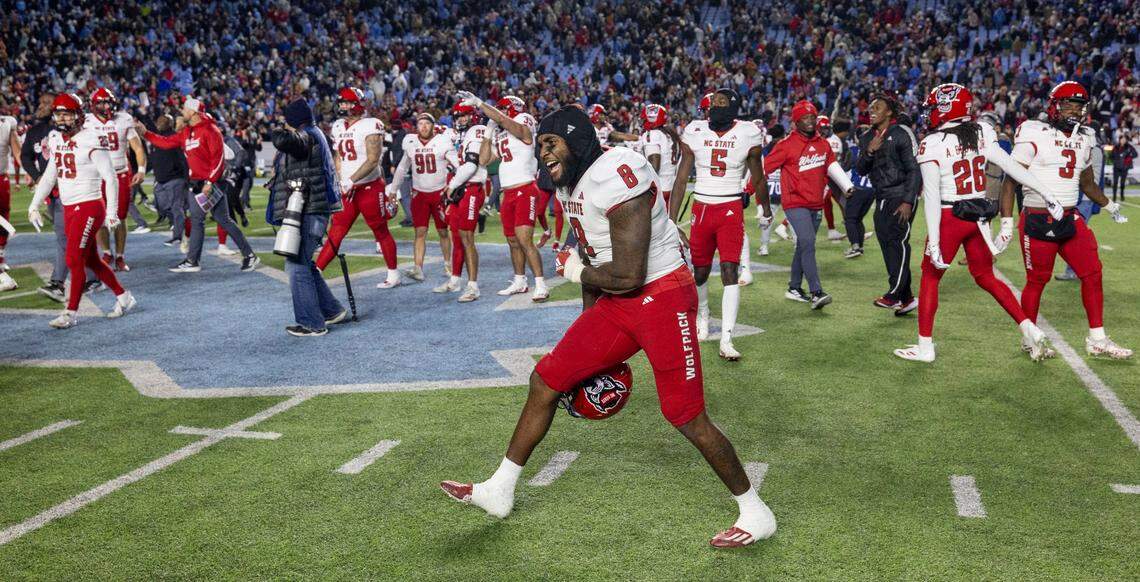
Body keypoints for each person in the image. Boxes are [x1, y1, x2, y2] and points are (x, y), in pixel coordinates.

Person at [440, 105, 776, 549]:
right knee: (547, 379)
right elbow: (596, 260)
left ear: (576, 141)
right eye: (539, 145)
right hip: (619, 301)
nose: (543, 153)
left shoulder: (618, 171)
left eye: (551, 143)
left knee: (685, 415)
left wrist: (576, 272)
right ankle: (499, 488)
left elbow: (628, 274)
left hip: (662, 296)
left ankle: (756, 511)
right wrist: (586, 337)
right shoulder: (571, 181)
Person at [894, 83, 1064, 363]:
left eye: (934, 108)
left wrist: (935, 241)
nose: (930, 114)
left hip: (950, 217)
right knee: (986, 276)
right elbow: (1012, 167)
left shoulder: (933, 144)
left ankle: (925, 347)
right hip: (978, 216)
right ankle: (1029, 328)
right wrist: (1048, 194)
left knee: (930, 276)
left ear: (947, 109)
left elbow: (933, 197)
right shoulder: (982, 131)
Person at [997, 81, 1131, 359]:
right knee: (1037, 281)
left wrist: (1109, 205)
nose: (1074, 109)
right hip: (1037, 217)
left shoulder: (1085, 137)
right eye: (1068, 103)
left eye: (1079, 105)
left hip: (1070, 217)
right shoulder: (1034, 132)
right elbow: (1010, 181)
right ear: (1054, 106)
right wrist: (1007, 222)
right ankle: (1029, 338)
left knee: (1093, 273)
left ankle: (1097, 338)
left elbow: (1087, 183)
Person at [673, 88, 770, 361]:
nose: (715, 106)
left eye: (722, 102)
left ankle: (727, 338)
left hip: (730, 207)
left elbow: (758, 177)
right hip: (701, 208)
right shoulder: (695, 130)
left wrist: (765, 208)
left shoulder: (748, 132)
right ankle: (703, 314)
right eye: (713, 102)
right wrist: (671, 219)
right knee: (700, 272)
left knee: (730, 270)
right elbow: (681, 178)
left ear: (734, 106)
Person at [26, 93, 136, 329]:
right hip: (69, 207)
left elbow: (111, 177)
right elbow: (49, 175)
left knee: (73, 258)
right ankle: (123, 296)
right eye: (58, 113)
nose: (62, 118)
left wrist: (113, 212)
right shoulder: (55, 138)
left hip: (89, 205)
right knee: (91, 260)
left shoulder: (92, 137)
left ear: (78, 115)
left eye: (66, 113)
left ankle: (70, 312)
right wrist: (34, 204)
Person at [139, 98, 259, 273]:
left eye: (185, 109)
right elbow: (166, 143)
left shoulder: (211, 130)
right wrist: (146, 134)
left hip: (211, 184)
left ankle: (248, 255)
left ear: (194, 112)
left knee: (221, 220)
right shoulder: (187, 132)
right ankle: (193, 261)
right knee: (200, 221)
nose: (182, 111)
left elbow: (218, 160)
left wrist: (210, 182)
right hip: (197, 184)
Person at [267, 98, 347, 337]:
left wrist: (280, 129)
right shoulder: (315, 133)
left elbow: (284, 141)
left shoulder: (307, 135)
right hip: (312, 210)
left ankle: (312, 323)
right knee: (305, 263)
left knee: (296, 265)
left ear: (293, 120)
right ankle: (331, 310)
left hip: (308, 210)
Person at [763, 100, 854, 310]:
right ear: (796, 121)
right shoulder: (785, 145)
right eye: (805, 117)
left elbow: (831, 165)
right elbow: (764, 168)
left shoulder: (823, 144)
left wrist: (847, 186)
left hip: (816, 202)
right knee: (808, 242)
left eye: (813, 116)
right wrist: (746, 189)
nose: (811, 121)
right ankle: (816, 292)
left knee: (803, 246)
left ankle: (794, 287)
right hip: (795, 203)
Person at [460, 91, 549, 302]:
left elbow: (510, 123)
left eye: (501, 111)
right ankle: (520, 281)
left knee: (525, 239)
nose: (497, 115)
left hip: (525, 189)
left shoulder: (524, 121)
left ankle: (540, 283)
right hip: (507, 192)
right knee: (512, 240)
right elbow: (483, 160)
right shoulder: (502, 135)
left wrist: (482, 104)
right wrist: (489, 133)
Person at [316, 87, 401, 289]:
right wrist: (339, 179)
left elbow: (373, 160)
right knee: (336, 230)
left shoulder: (372, 125)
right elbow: (338, 157)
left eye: (346, 102)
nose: (343, 106)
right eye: (341, 103)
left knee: (380, 230)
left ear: (357, 104)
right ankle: (316, 271)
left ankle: (393, 273)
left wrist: (350, 180)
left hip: (370, 187)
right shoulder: (337, 126)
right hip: (348, 189)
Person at [855, 93, 922, 315]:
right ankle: (907, 298)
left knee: (897, 241)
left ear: (889, 112)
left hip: (900, 195)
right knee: (888, 245)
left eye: (878, 107)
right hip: (881, 196)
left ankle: (894, 294)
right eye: (871, 107)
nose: (872, 111)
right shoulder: (866, 137)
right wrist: (870, 150)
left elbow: (914, 169)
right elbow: (861, 169)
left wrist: (908, 201)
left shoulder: (902, 133)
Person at [387, 112, 455, 284]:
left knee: (443, 232)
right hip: (419, 193)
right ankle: (418, 268)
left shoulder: (442, 140)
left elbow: (457, 163)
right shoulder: (411, 142)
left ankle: (448, 264)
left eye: (427, 123)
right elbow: (402, 168)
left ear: (433, 126)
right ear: (416, 126)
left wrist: (455, 183)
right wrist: (393, 189)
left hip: (439, 193)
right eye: (420, 123)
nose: (423, 127)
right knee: (419, 232)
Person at [86, 88, 146, 272]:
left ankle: (120, 256)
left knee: (120, 217)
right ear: (94, 106)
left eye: (108, 102)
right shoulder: (86, 121)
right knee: (100, 217)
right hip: (97, 176)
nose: (106, 106)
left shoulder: (124, 119)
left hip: (120, 173)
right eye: (102, 103)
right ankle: (106, 252)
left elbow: (137, 147)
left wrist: (141, 169)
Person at [20, 92, 69, 301]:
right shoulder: (35, 132)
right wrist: (37, 177)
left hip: (70, 190)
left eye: (45, 102)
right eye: (41, 102)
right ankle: (93, 277)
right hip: (51, 192)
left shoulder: (63, 131)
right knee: (69, 237)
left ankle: (58, 283)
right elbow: (25, 156)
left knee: (64, 237)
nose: (41, 105)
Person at [438, 103, 489, 302]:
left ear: (473, 116)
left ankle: (473, 286)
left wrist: (451, 185)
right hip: (463, 190)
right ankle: (456, 280)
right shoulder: (464, 134)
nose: (460, 120)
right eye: (458, 117)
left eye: (465, 116)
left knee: (467, 238)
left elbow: (470, 165)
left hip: (471, 189)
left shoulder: (477, 131)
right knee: (457, 237)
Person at [142, 114, 190, 247]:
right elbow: (154, 158)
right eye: (159, 120)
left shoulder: (174, 137)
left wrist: (186, 179)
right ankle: (183, 223)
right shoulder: (158, 138)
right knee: (161, 206)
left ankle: (177, 236)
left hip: (175, 178)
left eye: (163, 121)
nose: (159, 122)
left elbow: (183, 160)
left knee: (176, 208)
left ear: (170, 123)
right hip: (160, 179)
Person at [843, 125, 876, 259]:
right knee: (858, 219)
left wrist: (845, 187)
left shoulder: (854, 150)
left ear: (856, 137)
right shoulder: (878, 150)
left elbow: (845, 168)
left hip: (857, 188)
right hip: (871, 189)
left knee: (850, 219)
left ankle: (855, 247)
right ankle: (860, 247)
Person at [0, 102, 21, 291]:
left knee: (4, 219)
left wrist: (28, 170)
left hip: (2, 178)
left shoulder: (7, 123)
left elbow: (17, 151)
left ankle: (1, 259)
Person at [817, 115, 847, 242]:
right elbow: (831, 162)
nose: (825, 130)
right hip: (828, 177)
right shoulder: (833, 141)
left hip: (829, 177)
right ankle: (784, 225)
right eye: (823, 128)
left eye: (826, 128)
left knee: (839, 202)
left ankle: (836, 229)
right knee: (818, 203)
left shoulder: (828, 140)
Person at [1110, 133, 1136, 202]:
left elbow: (1135, 154)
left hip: (1125, 167)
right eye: (1122, 139)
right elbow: (1111, 156)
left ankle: (1122, 196)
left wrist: (1129, 157)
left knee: (1122, 183)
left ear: (1126, 140)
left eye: (1125, 139)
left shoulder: (1129, 147)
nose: (1123, 140)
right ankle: (1114, 197)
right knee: (1115, 183)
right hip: (1116, 167)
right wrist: (1116, 160)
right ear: (1120, 139)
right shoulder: (1116, 147)